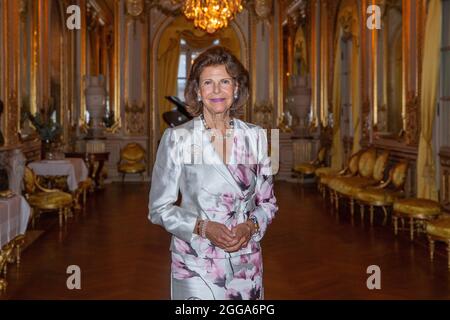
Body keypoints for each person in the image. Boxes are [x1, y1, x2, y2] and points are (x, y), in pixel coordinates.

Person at [148, 46, 278, 300]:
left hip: (246, 263)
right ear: (197, 90)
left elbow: (268, 204)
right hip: (197, 263)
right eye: (208, 82)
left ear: (236, 88)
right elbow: (159, 208)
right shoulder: (178, 138)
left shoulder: (257, 137)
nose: (217, 90)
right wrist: (204, 227)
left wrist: (249, 227)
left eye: (225, 82)